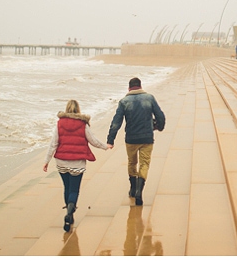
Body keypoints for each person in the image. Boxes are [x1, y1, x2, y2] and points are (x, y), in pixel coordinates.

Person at [43, 99, 111, 232]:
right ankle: (70, 213)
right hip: (77, 163)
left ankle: (68, 213)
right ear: (78, 109)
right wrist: (105, 147)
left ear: (67, 109)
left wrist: (46, 161)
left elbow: (53, 144)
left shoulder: (59, 123)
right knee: (74, 190)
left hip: (61, 162)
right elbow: (93, 140)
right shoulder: (83, 124)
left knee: (66, 188)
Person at [107, 77, 165, 206]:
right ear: (140, 86)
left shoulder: (124, 101)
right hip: (147, 138)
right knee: (144, 164)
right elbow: (160, 115)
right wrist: (159, 127)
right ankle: (139, 190)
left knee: (132, 162)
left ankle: (133, 189)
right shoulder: (149, 98)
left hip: (131, 139)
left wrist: (111, 139)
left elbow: (116, 122)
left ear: (129, 88)